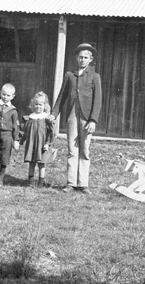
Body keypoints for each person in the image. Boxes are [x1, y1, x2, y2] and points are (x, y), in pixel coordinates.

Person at [53, 43, 102, 195]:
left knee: (84, 149)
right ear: (76, 58)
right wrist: (54, 114)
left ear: (90, 59)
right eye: (80, 57)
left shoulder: (94, 76)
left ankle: (83, 184)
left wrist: (93, 120)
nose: (82, 60)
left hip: (87, 118)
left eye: (86, 57)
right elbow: (62, 96)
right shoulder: (70, 75)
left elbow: (98, 100)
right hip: (73, 116)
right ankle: (70, 182)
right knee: (72, 150)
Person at [21, 91, 55, 188]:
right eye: (36, 104)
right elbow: (25, 132)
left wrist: (47, 143)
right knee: (31, 162)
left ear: (45, 105)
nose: (38, 107)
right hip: (32, 144)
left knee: (41, 163)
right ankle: (30, 181)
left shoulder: (46, 119)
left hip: (42, 144)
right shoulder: (30, 118)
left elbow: (50, 133)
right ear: (32, 105)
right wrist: (20, 141)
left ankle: (41, 182)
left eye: (40, 105)